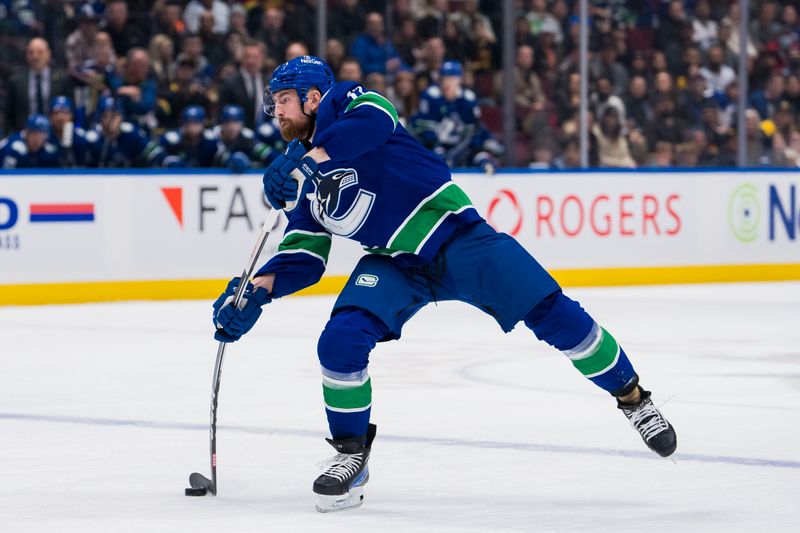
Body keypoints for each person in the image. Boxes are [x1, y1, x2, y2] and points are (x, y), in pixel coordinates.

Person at [211, 56, 678, 514]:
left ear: (314, 98)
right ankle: (352, 454)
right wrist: (255, 290)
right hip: (395, 265)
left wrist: (310, 159)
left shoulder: (348, 103)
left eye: (285, 101)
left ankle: (633, 399)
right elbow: (305, 256)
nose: (277, 113)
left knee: (554, 314)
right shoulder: (302, 178)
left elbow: (375, 123)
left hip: (457, 237)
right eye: (274, 104)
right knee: (340, 339)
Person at [410, 61, 502, 172]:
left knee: (480, 157)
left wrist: (483, 143)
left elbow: (474, 130)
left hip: (459, 148)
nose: (447, 83)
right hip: (434, 147)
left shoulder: (468, 99)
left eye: (452, 78)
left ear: (460, 80)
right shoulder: (431, 96)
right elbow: (424, 131)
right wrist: (439, 150)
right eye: (444, 78)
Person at [72, 95, 163, 168]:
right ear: (100, 118)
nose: (111, 121)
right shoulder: (92, 139)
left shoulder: (131, 133)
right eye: (106, 116)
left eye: (115, 116)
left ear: (121, 117)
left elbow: (153, 152)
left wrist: (167, 161)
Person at [212, 104, 276, 172]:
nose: (231, 127)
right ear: (222, 123)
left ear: (242, 123)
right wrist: (228, 158)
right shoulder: (212, 137)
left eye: (236, 122)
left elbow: (268, 153)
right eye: (227, 122)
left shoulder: (248, 136)